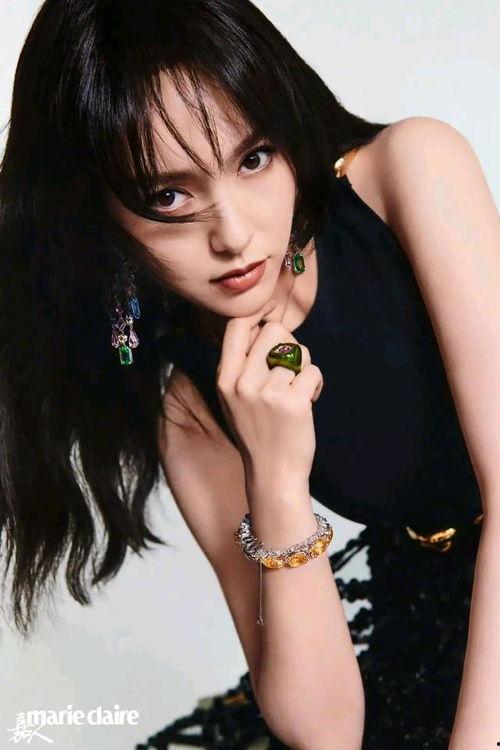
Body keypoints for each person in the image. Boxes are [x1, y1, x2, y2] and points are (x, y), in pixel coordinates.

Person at [0, 1, 498, 749]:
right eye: (168, 196)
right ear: (100, 217)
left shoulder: (408, 171)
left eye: (254, 158)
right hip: (436, 631)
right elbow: (326, 733)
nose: (234, 235)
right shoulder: (191, 406)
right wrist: (278, 479)